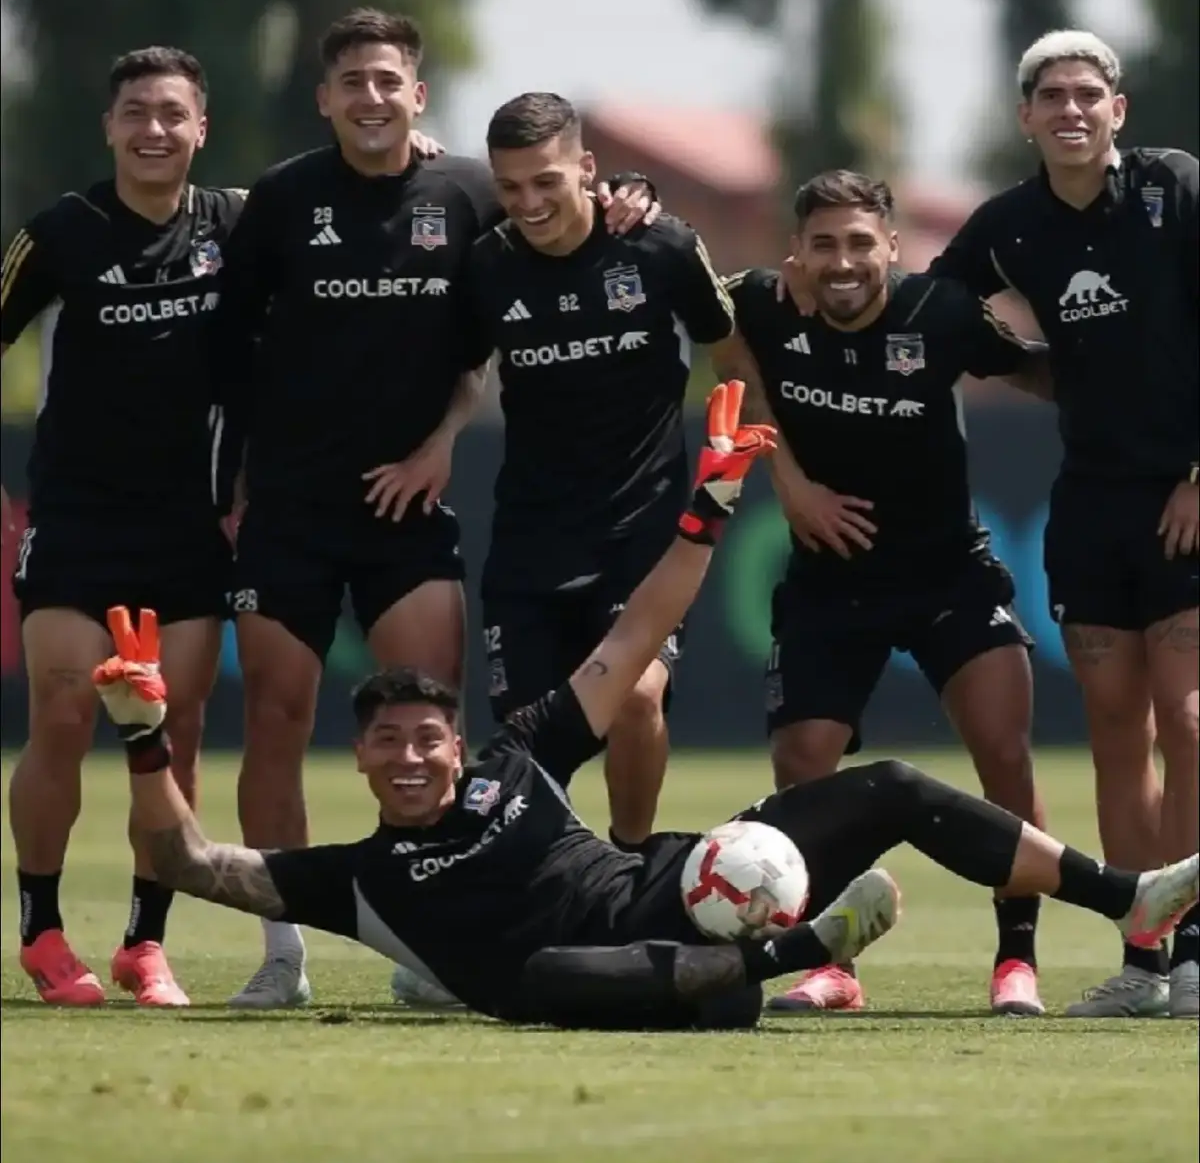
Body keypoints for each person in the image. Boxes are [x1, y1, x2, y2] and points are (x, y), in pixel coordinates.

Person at [90, 385, 1199, 1029]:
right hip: (613, 975)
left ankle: (1128, 898)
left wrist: (708, 508)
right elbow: (189, 859)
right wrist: (146, 738)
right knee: (540, 984)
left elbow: (632, 635)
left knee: (893, 787)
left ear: (456, 739)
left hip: (684, 879)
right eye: (391, 744)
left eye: (429, 736)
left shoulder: (515, 761)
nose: (415, 757)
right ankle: (799, 952)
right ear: (366, 764)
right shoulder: (354, 878)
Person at [208, 9, 656, 1011]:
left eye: (389, 80)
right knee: (275, 719)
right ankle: (281, 956)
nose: (371, 96)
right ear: (325, 98)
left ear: (419, 93)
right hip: (288, 508)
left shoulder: (467, 192)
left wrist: (440, 444)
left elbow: (552, 243)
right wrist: (234, 478)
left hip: (409, 512)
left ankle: (439, 946)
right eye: (352, 81)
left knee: (429, 727)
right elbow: (230, 355)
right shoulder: (281, 200)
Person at [713, 169, 1056, 1017]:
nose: (842, 262)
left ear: (891, 249)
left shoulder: (937, 313)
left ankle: (1018, 960)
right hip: (833, 583)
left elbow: (1041, 374)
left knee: (1003, 748)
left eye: (860, 243)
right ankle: (833, 960)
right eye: (822, 244)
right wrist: (785, 478)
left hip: (947, 571)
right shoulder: (759, 302)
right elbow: (718, 337)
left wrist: (1140, 369)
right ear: (797, 252)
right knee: (802, 765)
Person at [930, 31, 1198, 1019]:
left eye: (1091, 93)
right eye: (1054, 96)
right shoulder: (1008, 225)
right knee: (1117, 738)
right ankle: (1147, 957)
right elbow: (937, 309)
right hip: (1090, 501)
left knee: (1193, 720)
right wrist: (1032, 364)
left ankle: (1199, 942)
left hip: (1188, 495)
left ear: (1118, 110)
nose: (1073, 109)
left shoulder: (1176, 189)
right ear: (1027, 116)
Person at [0, 45, 243, 1008]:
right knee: (62, 714)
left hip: (186, 527)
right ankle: (42, 930)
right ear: (109, 128)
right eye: (135, 111)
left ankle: (148, 944)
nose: (153, 129)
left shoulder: (235, 223)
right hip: (74, 521)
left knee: (170, 736)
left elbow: (343, 217)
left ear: (200, 129)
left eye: (171, 113)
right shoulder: (63, 232)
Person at [456, 89, 734, 854]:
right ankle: (535, 895)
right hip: (529, 543)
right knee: (529, 744)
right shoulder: (486, 266)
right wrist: (431, 445)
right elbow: (461, 369)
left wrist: (735, 443)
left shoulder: (660, 249)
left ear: (586, 168)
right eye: (510, 188)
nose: (530, 202)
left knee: (639, 698)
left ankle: (631, 863)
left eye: (546, 181)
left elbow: (732, 348)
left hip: (639, 542)